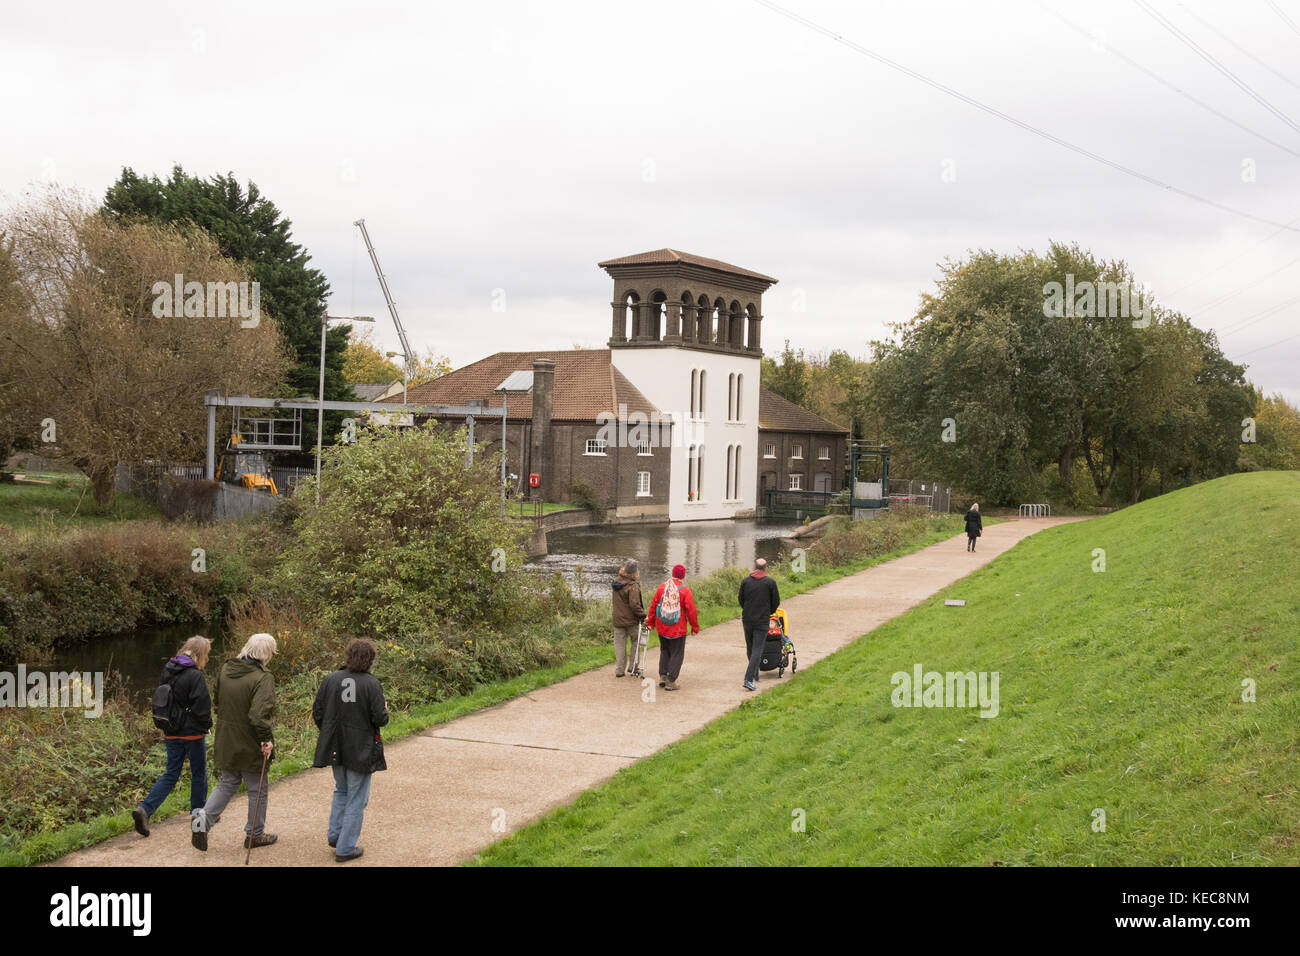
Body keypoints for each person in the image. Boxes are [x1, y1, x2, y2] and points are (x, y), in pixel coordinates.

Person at [192, 632, 277, 852]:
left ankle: (202, 821)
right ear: (267, 653)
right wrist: (266, 739)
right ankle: (254, 835)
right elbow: (258, 716)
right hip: (250, 740)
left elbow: (218, 703)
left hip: (226, 736)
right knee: (257, 788)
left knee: (227, 783)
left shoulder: (226, 669)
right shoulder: (263, 677)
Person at [312, 638, 389, 863]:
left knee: (342, 790)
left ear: (348, 655)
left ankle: (336, 835)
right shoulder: (371, 684)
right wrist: (385, 711)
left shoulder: (331, 679)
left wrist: (330, 733)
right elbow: (379, 718)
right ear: (370, 660)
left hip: (336, 746)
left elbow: (319, 712)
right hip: (361, 748)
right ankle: (345, 847)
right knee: (357, 797)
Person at [131, 636, 213, 837]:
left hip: (171, 730)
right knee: (199, 774)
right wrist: (207, 726)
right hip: (192, 733)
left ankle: (145, 810)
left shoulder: (168, 668)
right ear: (201, 654)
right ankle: (198, 819)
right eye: (207, 654)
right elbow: (202, 707)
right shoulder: (195, 675)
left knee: (171, 773)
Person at [645, 564, 699, 691]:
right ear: (683, 576)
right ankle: (671, 681)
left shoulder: (662, 587)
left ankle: (663, 676)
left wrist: (651, 623)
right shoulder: (685, 590)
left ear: (672, 573)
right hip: (677, 628)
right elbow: (691, 611)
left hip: (662, 626)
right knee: (677, 653)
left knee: (665, 650)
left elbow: (654, 606)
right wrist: (694, 627)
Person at [739, 558, 781, 691]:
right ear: (766, 568)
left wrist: (747, 610)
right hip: (762, 621)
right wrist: (769, 611)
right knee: (757, 650)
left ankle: (755, 673)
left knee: (750, 648)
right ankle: (748, 679)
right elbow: (776, 601)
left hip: (747, 620)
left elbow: (741, 600)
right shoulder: (770, 583)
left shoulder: (745, 582)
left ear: (754, 567)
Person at [610, 559, 645, 677]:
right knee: (636, 642)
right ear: (634, 572)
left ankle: (619, 670)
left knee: (619, 645)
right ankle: (633, 667)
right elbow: (635, 605)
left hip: (618, 620)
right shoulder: (633, 585)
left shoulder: (616, 582)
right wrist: (643, 615)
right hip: (631, 621)